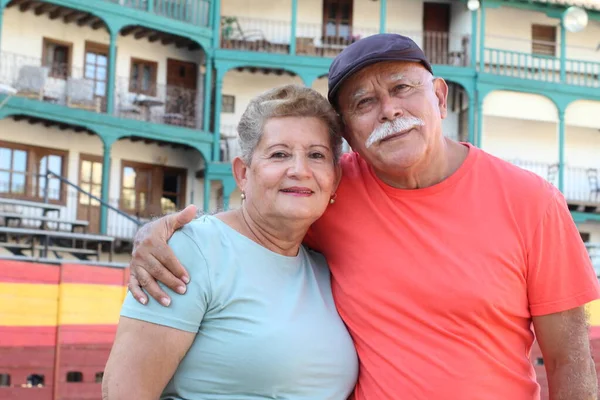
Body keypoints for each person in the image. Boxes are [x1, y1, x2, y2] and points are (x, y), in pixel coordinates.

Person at [125, 34, 600, 399]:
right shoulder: (330, 187)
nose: (389, 110)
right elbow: (256, 215)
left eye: (402, 88)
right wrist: (159, 234)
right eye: (364, 103)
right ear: (348, 132)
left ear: (439, 95)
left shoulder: (532, 201)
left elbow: (569, 359)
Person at [102, 85, 359, 400]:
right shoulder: (191, 251)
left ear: (335, 179)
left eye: (316, 155)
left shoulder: (324, 266)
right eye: (279, 154)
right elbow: (126, 393)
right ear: (243, 174)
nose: (299, 170)